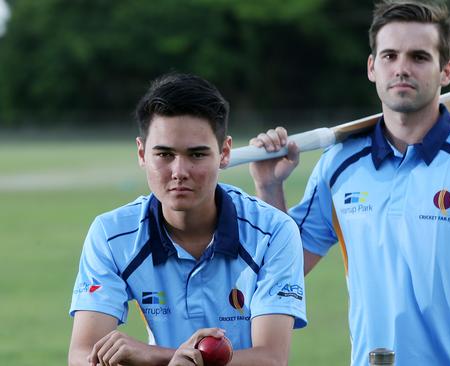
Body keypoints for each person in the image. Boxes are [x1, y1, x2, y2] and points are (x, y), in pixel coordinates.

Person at [249, 1, 450, 365]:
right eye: (390, 56)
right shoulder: (338, 164)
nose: (402, 68)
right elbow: (286, 268)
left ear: (445, 70)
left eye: (419, 57)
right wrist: (269, 188)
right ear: (372, 67)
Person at [68, 73, 306, 366]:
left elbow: (271, 359)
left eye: (196, 154)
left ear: (225, 152)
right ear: (142, 153)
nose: (179, 171)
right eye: (164, 154)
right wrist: (175, 360)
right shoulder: (111, 234)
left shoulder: (274, 231)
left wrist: (155, 356)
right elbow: (82, 355)